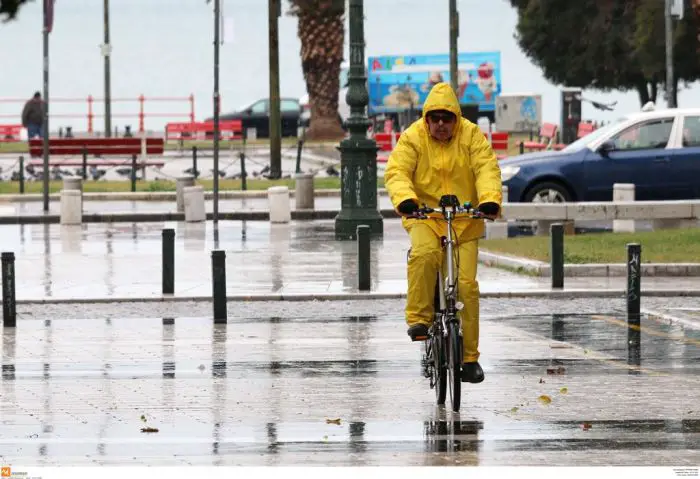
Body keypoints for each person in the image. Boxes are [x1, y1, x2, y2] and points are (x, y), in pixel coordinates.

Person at [384, 82, 502, 384]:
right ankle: (420, 320)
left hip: (465, 220)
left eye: (446, 118)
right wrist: (406, 201)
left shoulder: (472, 135)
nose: (440, 124)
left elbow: (486, 167)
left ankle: (469, 358)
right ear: (426, 119)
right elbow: (397, 171)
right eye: (434, 118)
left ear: (456, 118)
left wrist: (489, 200)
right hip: (425, 217)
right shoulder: (413, 137)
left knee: (465, 287)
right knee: (424, 255)